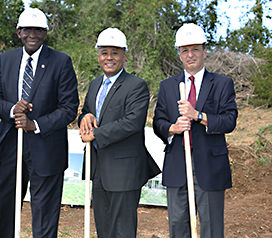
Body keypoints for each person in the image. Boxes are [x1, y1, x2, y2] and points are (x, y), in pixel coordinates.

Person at [0, 8, 79, 237]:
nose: (32, 35)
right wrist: (11, 110)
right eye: (27, 30)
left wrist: (34, 124)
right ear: (19, 32)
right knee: (5, 205)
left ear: (45, 33)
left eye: (38, 30)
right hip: (11, 145)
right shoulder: (5, 60)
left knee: (45, 211)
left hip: (46, 147)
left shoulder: (61, 62)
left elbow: (68, 109)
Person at [153, 23, 238, 238]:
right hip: (177, 167)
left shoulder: (222, 84)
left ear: (204, 51)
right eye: (185, 51)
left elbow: (229, 121)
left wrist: (198, 115)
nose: (190, 55)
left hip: (210, 166)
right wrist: (172, 128)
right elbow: (158, 122)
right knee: (178, 225)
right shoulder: (167, 86)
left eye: (195, 49)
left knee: (211, 227)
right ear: (179, 55)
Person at [78, 27, 161, 238]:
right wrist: (84, 118)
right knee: (103, 230)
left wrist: (96, 134)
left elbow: (132, 122)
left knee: (122, 231)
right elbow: (87, 112)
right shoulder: (95, 84)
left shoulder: (136, 86)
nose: (109, 58)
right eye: (104, 52)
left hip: (124, 171)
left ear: (124, 56)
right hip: (98, 169)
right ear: (98, 56)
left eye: (115, 53)